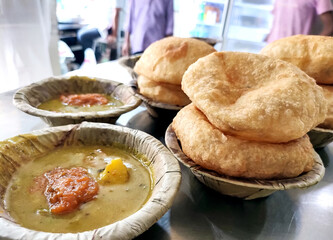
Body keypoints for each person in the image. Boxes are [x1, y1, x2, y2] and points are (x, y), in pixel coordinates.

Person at [266, 0, 333, 43]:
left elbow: (330, 26)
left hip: (295, 51)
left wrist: (314, 45)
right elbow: (277, 18)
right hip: (272, 45)